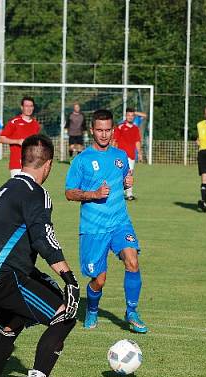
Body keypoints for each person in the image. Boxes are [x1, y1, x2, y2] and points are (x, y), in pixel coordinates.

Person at [0, 134, 79, 377]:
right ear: (49, 164)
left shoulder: (5, 188)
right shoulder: (36, 193)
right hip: (2, 276)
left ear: (22, 160)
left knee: (13, 322)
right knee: (65, 314)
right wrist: (68, 278)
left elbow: (6, 236)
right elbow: (43, 237)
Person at [65, 109, 147, 334]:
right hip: (93, 228)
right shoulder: (81, 160)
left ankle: (132, 311)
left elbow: (121, 181)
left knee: (132, 261)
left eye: (107, 130)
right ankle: (92, 310)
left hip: (120, 222)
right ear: (92, 130)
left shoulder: (120, 156)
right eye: (99, 130)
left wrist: (128, 180)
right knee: (98, 281)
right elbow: (69, 193)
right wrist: (93, 194)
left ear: (113, 130)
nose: (103, 134)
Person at [0, 97, 41, 178]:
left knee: (31, 189)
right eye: (26, 106)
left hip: (32, 164)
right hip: (17, 164)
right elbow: (1, 138)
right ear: (22, 107)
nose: (29, 108)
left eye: (31, 106)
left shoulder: (36, 124)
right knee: (18, 189)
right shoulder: (14, 122)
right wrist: (17, 141)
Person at [114, 108, 142, 201]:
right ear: (126, 116)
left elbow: (137, 141)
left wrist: (140, 153)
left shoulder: (135, 128)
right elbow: (115, 140)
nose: (130, 117)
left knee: (130, 174)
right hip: (121, 155)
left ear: (134, 117)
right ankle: (118, 193)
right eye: (128, 115)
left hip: (131, 155)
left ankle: (129, 194)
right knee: (120, 174)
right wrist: (112, 151)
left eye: (132, 115)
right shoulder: (120, 126)